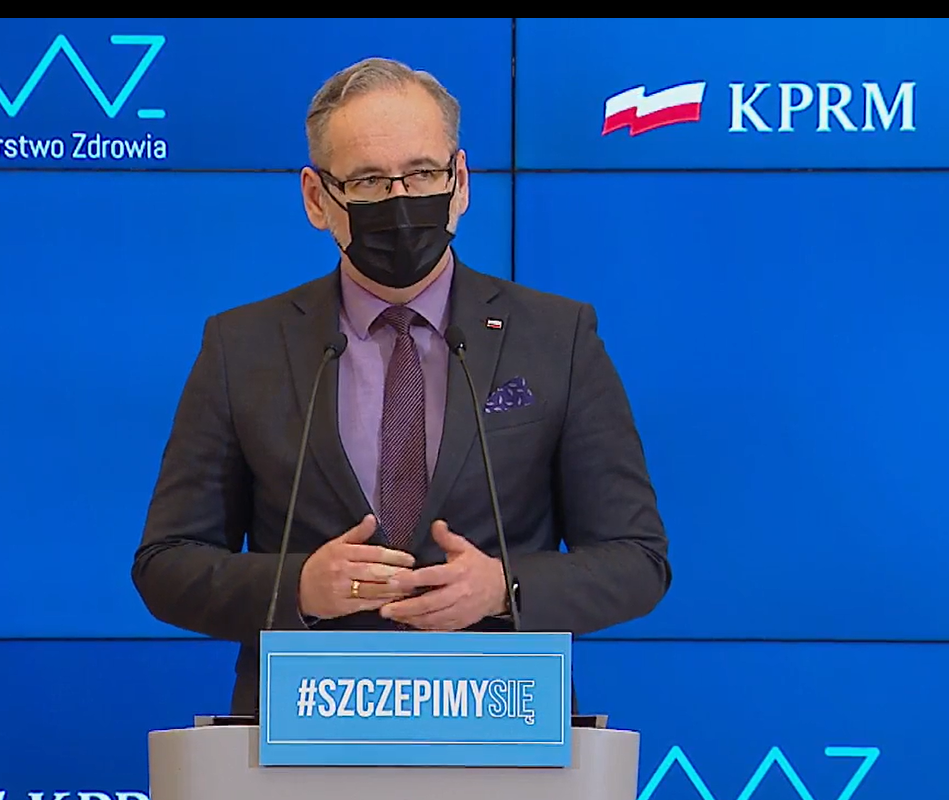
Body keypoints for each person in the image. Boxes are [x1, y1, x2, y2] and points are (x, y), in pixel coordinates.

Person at [132, 57, 671, 715]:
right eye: (366, 181)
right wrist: (298, 585)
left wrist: (503, 587)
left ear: (461, 181)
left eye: (421, 173)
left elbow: (636, 560)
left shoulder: (559, 337)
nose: (400, 201)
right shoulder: (242, 346)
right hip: (303, 730)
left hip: (500, 725)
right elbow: (167, 563)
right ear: (316, 198)